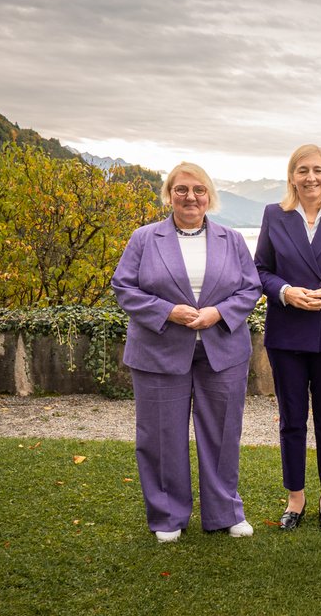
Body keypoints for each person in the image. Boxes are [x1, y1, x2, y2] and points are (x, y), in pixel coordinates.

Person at [112, 162, 262, 543]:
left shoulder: (231, 239)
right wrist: (167, 312)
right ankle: (167, 515)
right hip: (159, 350)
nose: (190, 196)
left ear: (209, 196)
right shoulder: (144, 238)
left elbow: (250, 289)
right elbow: (124, 287)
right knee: (161, 435)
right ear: (169, 195)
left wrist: (218, 313)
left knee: (223, 433)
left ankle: (225, 512)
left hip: (223, 350)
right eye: (181, 189)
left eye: (198, 189)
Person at [254, 144, 321, 532]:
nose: (310, 177)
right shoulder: (274, 216)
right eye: (303, 170)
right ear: (292, 176)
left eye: (317, 170)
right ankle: (295, 498)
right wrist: (285, 292)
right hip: (287, 334)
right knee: (292, 420)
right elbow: (261, 269)